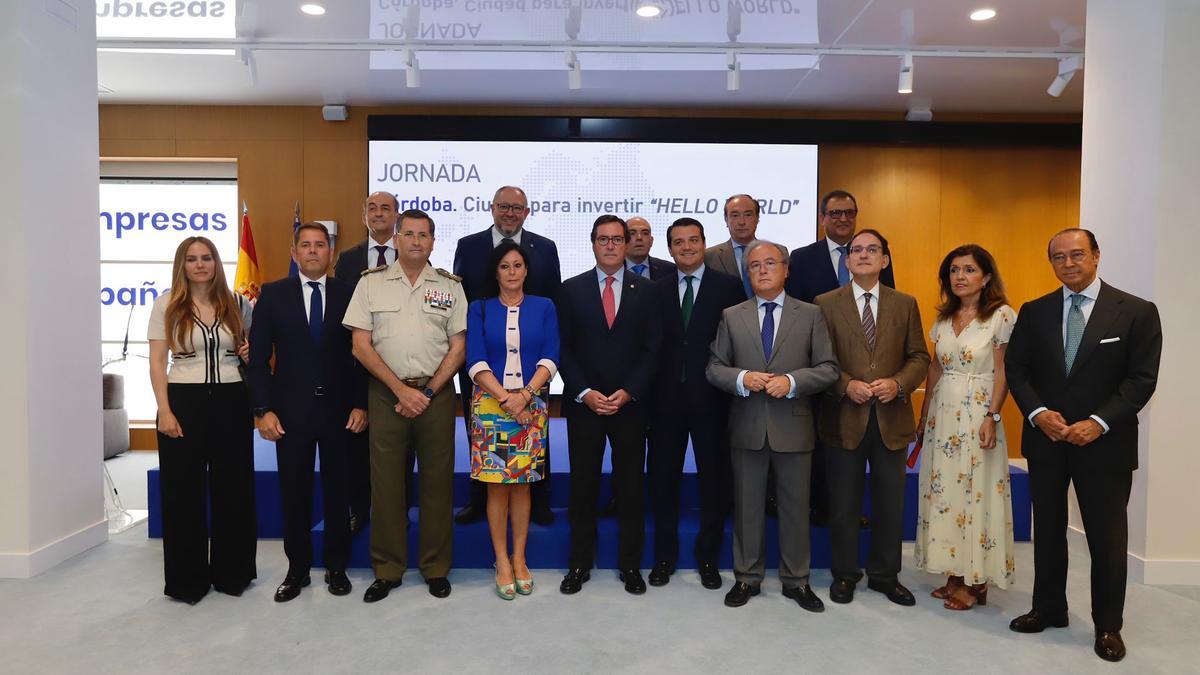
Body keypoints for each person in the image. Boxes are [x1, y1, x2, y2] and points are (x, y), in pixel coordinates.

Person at [1005, 228, 1162, 663]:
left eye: (1077, 254)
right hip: (1046, 440)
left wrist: (1098, 422)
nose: (1068, 263)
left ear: (1096, 255)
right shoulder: (1034, 312)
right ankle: (1049, 607)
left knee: (1107, 538)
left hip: (1104, 445)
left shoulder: (1136, 311)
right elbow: (1017, 371)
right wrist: (1038, 414)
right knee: (1049, 530)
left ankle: (1108, 626)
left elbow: (1141, 379)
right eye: (1058, 257)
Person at [707, 240, 840, 611]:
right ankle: (746, 578)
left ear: (786, 269)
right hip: (747, 426)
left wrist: (793, 382)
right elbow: (714, 367)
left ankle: (796, 581)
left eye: (770, 263)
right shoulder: (732, 315)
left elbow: (829, 368)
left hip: (794, 427)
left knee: (796, 508)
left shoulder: (811, 314)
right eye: (754, 265)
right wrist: (742, 377)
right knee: (747, 508)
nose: (762, 270)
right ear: (747, 274)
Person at [342, 209, 466, 603]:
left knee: (437, 482)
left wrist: (426, 393)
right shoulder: (370, 285)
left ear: (433, 242)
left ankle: (435, 568)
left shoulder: (449, 286)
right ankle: (388, 569)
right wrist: (400, 390)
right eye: (408, 234)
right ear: (395, 239)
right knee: (387, 483)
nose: (415, 241)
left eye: (423, 235)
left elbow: (458, 346)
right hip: (385, 394)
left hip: (437, 394)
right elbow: (360, 344)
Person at [248, 223, 368, 602]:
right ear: (295, 250)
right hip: (290, 413)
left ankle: (336, 566)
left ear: (331, 252)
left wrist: (361, 403)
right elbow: (259, 361)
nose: (313, 251)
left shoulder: (350, 293)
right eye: (306, 245)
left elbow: (364, 356)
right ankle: (297, 569)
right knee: (294, 492)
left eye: (321, 245)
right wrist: (263, 410)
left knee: (338, 492)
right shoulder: (273, 294)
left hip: (340, 412)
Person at [814, 228, 930, 607]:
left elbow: (919, 357)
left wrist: (898, 384)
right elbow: (821, 360)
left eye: (872, 250)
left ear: (885, 260)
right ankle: (845, 574)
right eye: (856, 250)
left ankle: (885, 575)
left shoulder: (905, 303)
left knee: (889, 503)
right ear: (847, 261)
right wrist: (845, 384)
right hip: (843, 417)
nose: (863, 255)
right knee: (844, 503)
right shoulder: (825, 303)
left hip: (891, 418)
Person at [557, 214, 662, 595]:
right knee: (582, 487)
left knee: (630, 487)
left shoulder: (648, 291)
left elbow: (653, 350)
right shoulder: (570, 289)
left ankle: (630, 565)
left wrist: (629, 391)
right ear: (593, 244)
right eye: (604, 239)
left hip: (629, 406)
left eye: (618, 239)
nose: (612, 245)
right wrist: (584, 392)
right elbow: (563, 348)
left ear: (627, 243)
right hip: (585, 405)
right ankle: (579, 563)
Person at [148, 236, 256, 604]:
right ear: (182, 264)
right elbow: (157, 362)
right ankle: (187, 580)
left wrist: (247, 350)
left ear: (215, 263)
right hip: (183, 400)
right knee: (183, 492)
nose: (200, 265)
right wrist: (164, 409)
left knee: (234, 487)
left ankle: (233, 573)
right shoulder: (166, 305)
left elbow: (249, 353)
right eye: (192, 259)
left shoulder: (238, 302)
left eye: (206, 258)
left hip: (231, 399)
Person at [914, 244, 1016, 611]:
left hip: (979, 413)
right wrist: (924, 415)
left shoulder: (1001, 316)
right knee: (947, 495)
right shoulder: (943, 319)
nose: (960, 277)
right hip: (943, 415)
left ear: (986, 276)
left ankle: (977, 581)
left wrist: (993, 415)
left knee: (977, 494)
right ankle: (955, 573)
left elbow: (1004, 370)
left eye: (969, 270)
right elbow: (935, 368)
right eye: (954, 270)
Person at [453, 186, 562, 527]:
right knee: (481, 438)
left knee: (534, 434)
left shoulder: (545, 248)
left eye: (517, 207)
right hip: (483, 360)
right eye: (504, 206)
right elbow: (460, 298)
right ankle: (478, 498)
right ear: (492, 208)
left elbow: (553, 298)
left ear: (527, 212)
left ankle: (539, 500)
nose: (510, 213)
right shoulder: (468, 246)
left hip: (530, 365)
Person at [787, 189, 895, 527]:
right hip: (818, 367)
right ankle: (821, 506)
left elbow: (886, 309)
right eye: (835, 213)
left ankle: (850, 509)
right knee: (822, 441)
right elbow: (796, 313)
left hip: (865, 371)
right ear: (822, 219)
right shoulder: (802, 257)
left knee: (858, 442)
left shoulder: (875, 256)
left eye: (849, 212)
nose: (843, 218)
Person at [647, 218, 743, 590]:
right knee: (663, 481)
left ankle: (708, 559)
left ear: (704, 243)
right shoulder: (656, 290)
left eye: (693, 240)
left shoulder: (729, 288)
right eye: (678, 242)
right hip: (666, 400)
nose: (686, 247)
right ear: (669, 249)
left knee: (713, 481)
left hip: (712, 399)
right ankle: (664, 557)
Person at [465, 241, 560, 600]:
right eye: (505, 266)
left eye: (518, 265)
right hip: (491, 406)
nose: (512, 272)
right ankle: (501, 560)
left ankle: (520, 558)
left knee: (522, 485)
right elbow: (475, 359)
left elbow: (552, 355)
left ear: (526, 270)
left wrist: (525, 395)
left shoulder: (544, 306)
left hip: (531, 406)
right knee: (496, 486)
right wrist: (506, 398)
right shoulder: (480, 309)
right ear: (495, 272)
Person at [334, 190, 403, 534]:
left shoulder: (411, 254)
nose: (378, 214)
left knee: (401, 443)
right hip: (358, 363)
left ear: (396, 216)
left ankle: (398, 510)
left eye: (385, 208)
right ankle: (359, 509)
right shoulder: (347, 259)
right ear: (364, 216)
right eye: (372, 209)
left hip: (401, 362)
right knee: (358, 442)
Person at [704, 194, 759, 298]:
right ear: (726, 219)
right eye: (735, 215)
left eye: (748, 215)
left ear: (757, 218)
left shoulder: (776, 253)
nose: (741, 222)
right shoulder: (709, 256)